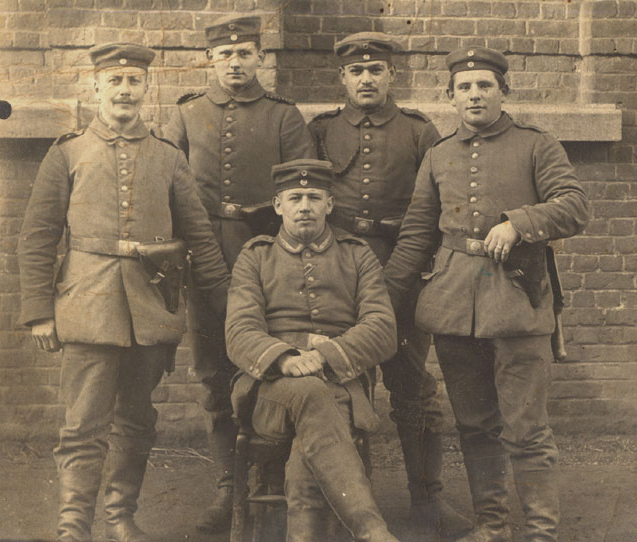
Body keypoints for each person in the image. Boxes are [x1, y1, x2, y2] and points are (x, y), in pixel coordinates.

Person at [17, 43, 231, 542]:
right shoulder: (67, 151)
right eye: (114, 81)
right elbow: (38, 236)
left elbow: (199, 236)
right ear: (96, 87)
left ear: (146, 88)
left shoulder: (168, 156)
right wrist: (38, 314)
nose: (124, 90)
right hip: (86, 305)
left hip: (150, 307)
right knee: (83, 424)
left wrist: (229, 307)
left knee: (136, 421)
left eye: (134, 81)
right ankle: (73, 526)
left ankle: (120, 517)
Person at [385, 46, 590, 542]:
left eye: (484, 85)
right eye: (464, 87)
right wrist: (385, 298)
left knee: (526, 428)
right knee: (475, 425)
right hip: (454, 305)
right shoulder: (438, 154)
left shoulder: (536, 144)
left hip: (517, 301)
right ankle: (492, 525)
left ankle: (541, 531)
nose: (474, 94)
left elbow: (575, 206)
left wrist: (519, 223)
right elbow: (417, 232)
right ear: (450, 97)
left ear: (504, 91)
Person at [308, 32, 471, 539]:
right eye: (356, 72)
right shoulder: (322, 130)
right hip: (339, 270)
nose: (365, 79)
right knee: (344, 381)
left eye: (375, 70)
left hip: (403, 271)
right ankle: (354, 504)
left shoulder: (420, 133)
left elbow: (435, 208)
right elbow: (307, 197)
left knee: (411, 385)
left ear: (391, 76)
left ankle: (428, 501)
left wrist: (404, 273)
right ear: (342, 78)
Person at [162, 15, 316, 531]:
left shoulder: (283, 117)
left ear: (259, 59)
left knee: (268, 363)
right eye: (225, 55)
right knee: (212, 369)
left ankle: (269, 480)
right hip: (205, 254)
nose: (235, 63)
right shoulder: (187, 115)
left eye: (245, 53)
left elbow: (301, 193)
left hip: (265, 255)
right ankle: (228, 486)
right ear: (211, 59)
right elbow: (169, 189)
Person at [226, 158, 399, 542]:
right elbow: (239, 330)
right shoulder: (255, 256)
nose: (304, 205)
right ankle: (371, 529)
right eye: (295, 197)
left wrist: (324, 355)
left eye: (314, 197)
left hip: (336, 384)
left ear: (329, 205)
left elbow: (383, 328)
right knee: (315, 394)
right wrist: (287, 357)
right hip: (269, 391)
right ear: (278, 206)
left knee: (317, 405)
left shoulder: (358, 255)